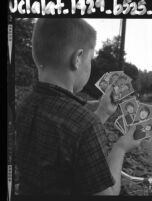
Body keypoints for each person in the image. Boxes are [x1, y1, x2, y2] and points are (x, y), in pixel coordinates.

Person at [16, 19, 142, 196]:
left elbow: (70, 139)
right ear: (77, 58)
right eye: (90, 59)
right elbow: (108, 193)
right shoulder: (86, 124)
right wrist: (120, 147)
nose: (90, 65)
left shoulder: (24, 105)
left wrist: (103, 112)